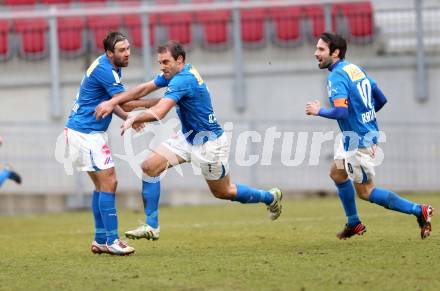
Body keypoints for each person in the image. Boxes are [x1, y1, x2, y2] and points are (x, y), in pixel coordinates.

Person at [95, 40, 283, 241]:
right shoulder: (178, 73)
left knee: (224, 192)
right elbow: (145, 88)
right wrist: (115, 101)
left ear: (180, 60)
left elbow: (160, 111)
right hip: (187, 138)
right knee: (150, 166)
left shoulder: (182, 79)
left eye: (166, 62)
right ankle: (152, 226)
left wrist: (133, 116)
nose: (162, 67)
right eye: (160, 62)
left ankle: (270, 197)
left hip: (209, 145)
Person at [305, 32, 433, 240]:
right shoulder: (355, 68)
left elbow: (341, 112)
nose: (315, 53)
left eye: (320, 49)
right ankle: (354, 223)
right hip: (351, 138)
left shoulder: (336, 75)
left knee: (365, 191)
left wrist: (318, 110)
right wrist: (364, 115)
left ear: (335, 52)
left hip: (359, 141)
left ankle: (419, 210)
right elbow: (381, 99)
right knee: (337, 173)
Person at [63, 32, 136, 255]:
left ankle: (101, 239)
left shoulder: (110, 66)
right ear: (109, 53)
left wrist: (127, 118)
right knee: (110, 182)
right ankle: (113, 240)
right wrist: (166, 100)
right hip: (86, 133)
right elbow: (128, 101)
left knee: (101, 186)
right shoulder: (106, 69)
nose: (127, 53)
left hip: (82, 131)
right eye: (122, 50)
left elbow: (112, 102)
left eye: (128, 48)